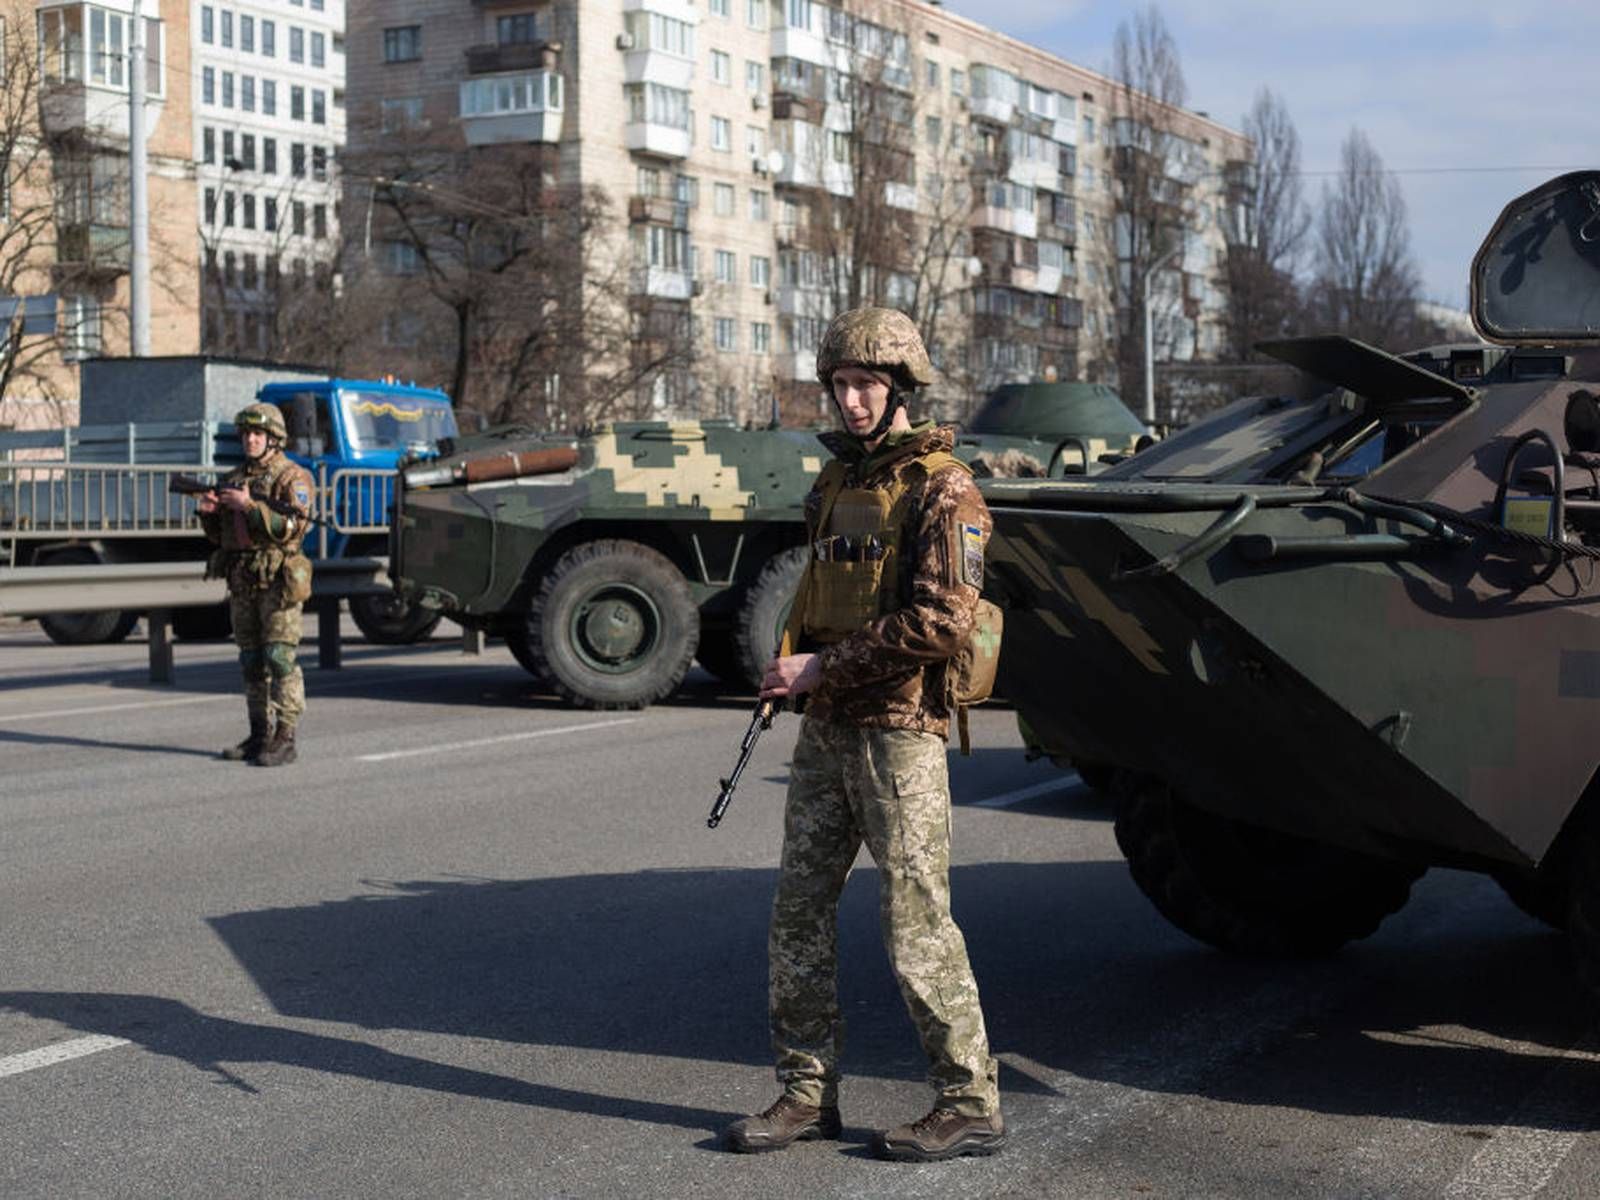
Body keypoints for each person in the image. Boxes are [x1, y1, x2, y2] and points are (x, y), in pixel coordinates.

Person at [724, 307, 1004, 1162]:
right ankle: (807, 1095)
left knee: (916, 921)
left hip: (899, 734)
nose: (850, 400)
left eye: (866, 385)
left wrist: (819, 669)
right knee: (798, 913)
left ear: (900, 390)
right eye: (841, 383)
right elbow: (819, 593)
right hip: (831, 728)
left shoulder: (944, 487)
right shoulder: (836, 484)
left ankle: (968, 1099)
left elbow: (944, 622)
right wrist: (792, 666)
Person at [196, 403, 315, 767]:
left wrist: (250, 507)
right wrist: (208, 514)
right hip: (243, 578)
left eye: (258, 434)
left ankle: (286, 736)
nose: (250, 440)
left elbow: (293, 527)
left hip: (278, 580)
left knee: (279, 657)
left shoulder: (291, 477)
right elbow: (224, 537)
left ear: (274, 439)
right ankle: (259, 732)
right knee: (251, 660)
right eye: (246, 434)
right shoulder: (235, 478)